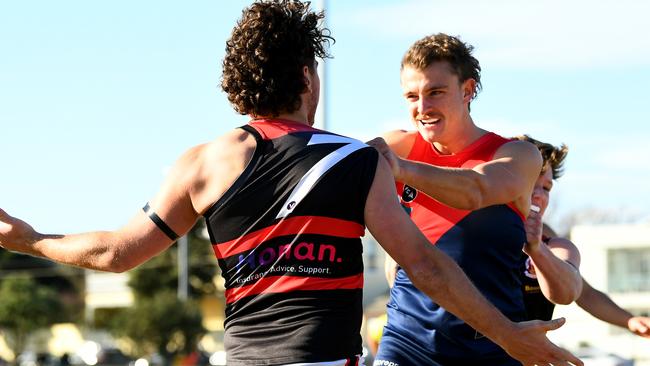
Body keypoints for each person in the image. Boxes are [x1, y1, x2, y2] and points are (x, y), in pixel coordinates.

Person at [0, 3, 582, 365]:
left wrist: (29, 239)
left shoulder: (203, 163)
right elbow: (425, 267)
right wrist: (509, 335)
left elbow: (115, 253)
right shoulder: (356, 160)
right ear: (309, 77)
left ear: (237, 90)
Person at [369, 33, 556, 365]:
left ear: (468, 90)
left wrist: (401, 170)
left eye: (436, 92)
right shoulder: (398, 146)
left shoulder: (517, 154)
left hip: (494, 345)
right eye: (412, 96)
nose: (422, 108)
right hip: (407, 343)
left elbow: (476, 190)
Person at [516, 135, 650, 338]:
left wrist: (629, 320)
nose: (539, 195)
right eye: (532, 181)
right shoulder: (472, 232)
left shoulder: (548, 240)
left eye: (546, 187)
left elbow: (582, 292)